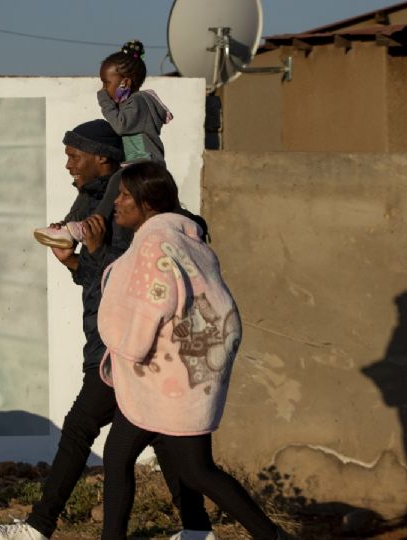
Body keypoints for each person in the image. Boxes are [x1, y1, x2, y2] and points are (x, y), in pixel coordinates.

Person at [0, 121, 214, 540]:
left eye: (75, 155)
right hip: (114, 342)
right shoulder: (93, 203)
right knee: (161, 438)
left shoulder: (124, 208)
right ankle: (197, 529)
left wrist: (90, 253)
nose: (68, 164)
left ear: (102, 158)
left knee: (79, 430)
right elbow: (92, 278)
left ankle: (39, 527)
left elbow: (124, 279)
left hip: (125, 347)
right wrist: (73, 260)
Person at [97, 162, 297, 540]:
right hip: (178, 372)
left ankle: (271, 536)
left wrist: (129, 346)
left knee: (196, 470)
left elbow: (150, 304)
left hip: (166, 375)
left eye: (125, 195)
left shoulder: (155, 244)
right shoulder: (186, 239)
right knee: (121, 454)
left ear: (147, 203)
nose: (117, 203)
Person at [34, 40, 172, 249]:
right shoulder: (133, 103)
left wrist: (104, 100)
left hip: (145, 163)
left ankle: (86, 227)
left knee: (116, 182)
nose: (104, 89)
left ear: (125, 83)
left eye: (106, 83)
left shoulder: (139, 101)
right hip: (138, 163)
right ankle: (69, 226)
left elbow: (120, 126)